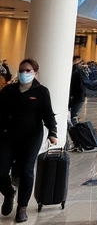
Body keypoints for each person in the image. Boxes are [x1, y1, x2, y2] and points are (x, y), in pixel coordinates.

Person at [0, 59, 58, 223]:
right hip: (8, 135)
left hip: (31, 136)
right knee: (1, 170)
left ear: (35, 72)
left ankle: (22, 207)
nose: (24, 73)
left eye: (28, 70)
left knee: (26, 170)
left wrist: (52, 132)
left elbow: (48, 114)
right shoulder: (8, 91)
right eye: (21, 70)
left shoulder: (41, 92)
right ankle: (9, 192)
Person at [69, 55, 97, 123]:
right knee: (73, 115)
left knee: (72, 114)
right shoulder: (79, 71)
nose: (84, 65)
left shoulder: (73, 70)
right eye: (81, 62)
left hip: (74, 96)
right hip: (78, 95)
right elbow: (88, 83)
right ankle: (76, 130)